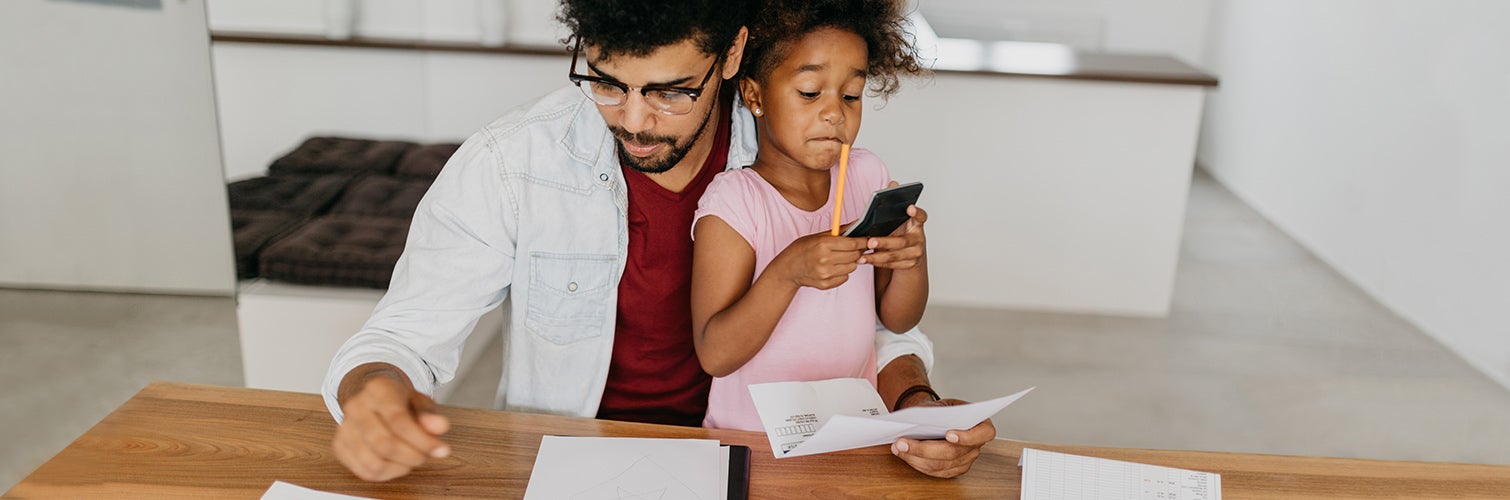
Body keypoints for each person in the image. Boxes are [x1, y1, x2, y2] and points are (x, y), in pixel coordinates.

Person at [323, 0, 995, 482]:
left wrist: (916, 407)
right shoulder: (515, 161)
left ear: (733, 56)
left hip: (763, 453)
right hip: (579, 460)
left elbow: (868, 321)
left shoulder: (799, 145)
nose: (635, 120)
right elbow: (401, 336)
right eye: (608, 82)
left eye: (672, 91)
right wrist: (373, 394)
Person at [692, 0, 929, 433]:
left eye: (851, 95)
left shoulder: (866, 175)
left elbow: (898, 319)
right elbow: (715, 354)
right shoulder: (734, 202)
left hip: (851, 430)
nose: (835, 112)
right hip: (751, 439)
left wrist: (912, 260)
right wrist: (789, 271)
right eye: (809, 92)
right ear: (754, 95)